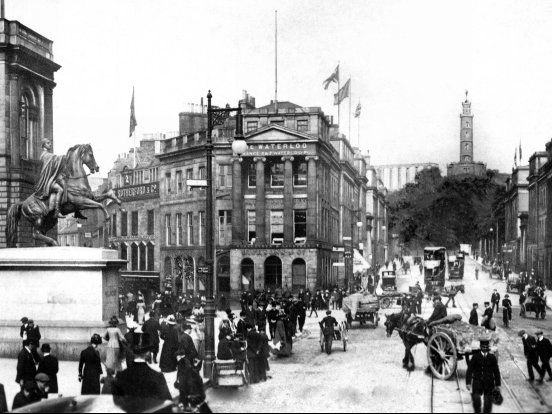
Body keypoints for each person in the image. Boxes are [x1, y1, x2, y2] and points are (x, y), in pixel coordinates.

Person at [113, 332, 172, 401]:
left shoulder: (120, 375)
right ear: (147, 353)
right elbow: (168, 402)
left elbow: (116, 401)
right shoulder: (157, 376)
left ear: (132, 352)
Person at [33, 138, 67, 218]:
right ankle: (57, 212)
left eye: (50, 143)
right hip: (46, 182)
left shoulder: (47, 155)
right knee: (60, 190)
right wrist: (67, 156)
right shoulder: (46, 155)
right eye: (48, 143)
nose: (50, 144)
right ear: (44, 145)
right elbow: (57, 159)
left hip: (49, 180)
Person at [466, 338, 501, 414]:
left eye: (486, 347)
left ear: (488, 348)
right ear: (480, 347)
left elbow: (496, 371)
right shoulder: (475, 357)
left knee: (488, 403)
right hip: (477, 381)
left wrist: (498, 384)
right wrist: (468, 382)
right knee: (476, 400)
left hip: (489, 383)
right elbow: (470, 370)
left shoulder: (492, 358)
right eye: (483, 347)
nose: (484, 349)